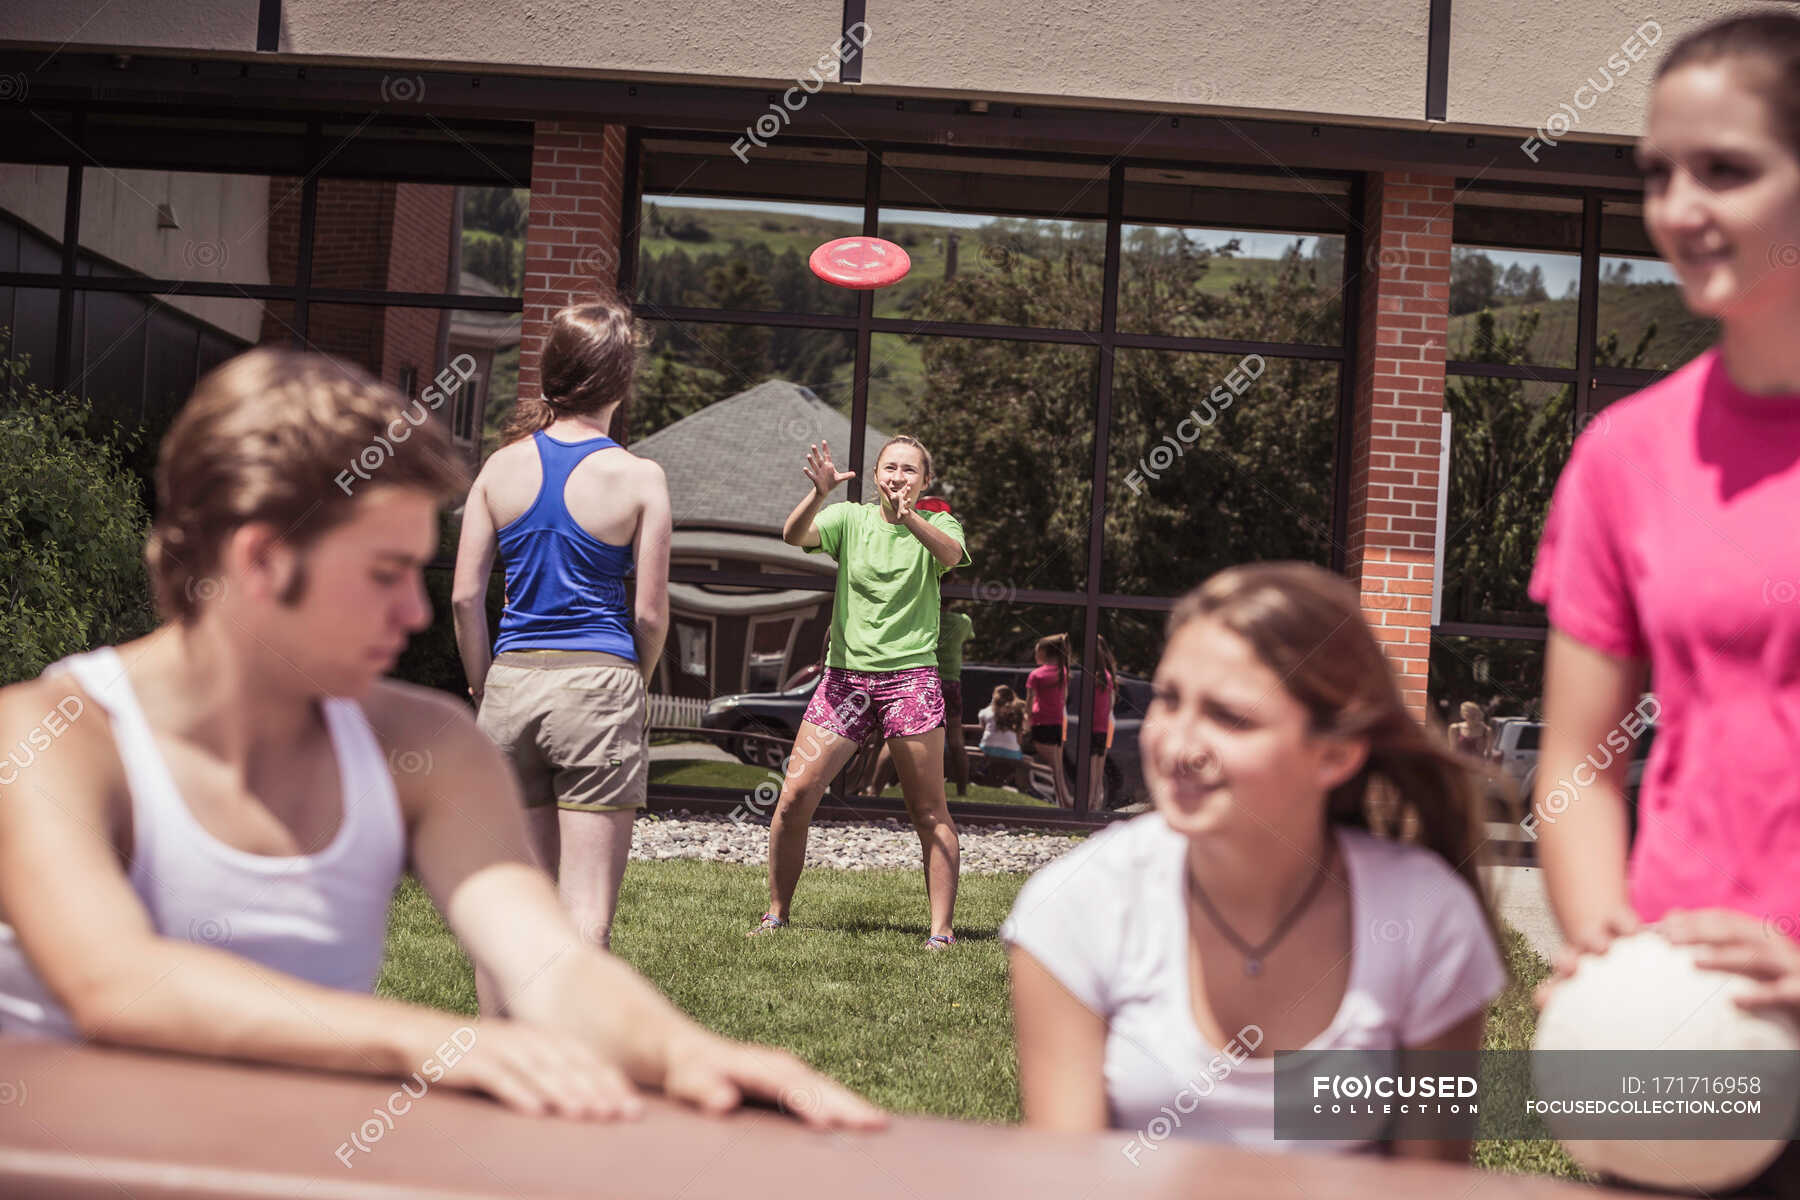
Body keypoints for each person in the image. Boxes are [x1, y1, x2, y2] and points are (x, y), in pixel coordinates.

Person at [0, 348, 883, 1132]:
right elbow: (117, 984)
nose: (416, 611)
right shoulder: (47, 741)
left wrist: (677, 1048)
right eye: (385, 574)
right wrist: (433, 1043)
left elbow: (545, 960)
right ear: (263, 562)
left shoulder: (427, 747)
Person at [1528, 16, 1800, 1190]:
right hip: (1691, 1034)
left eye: (1726, 170)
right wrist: (1607, 952)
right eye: (1658, 172)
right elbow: (1576, 762)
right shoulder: (1624, 456)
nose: (1680, 207)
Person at [1003, 562, 1506, 1160]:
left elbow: (1432, 1186)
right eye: (1169, 699)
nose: (1180, 746)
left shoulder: (1426, 917)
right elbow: (1067, 1182)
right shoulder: (1074, 906)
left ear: (1335, 754)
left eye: (1230, 717)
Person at [452, 298, 670, 962]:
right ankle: (573, 1057)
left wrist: (484, 687)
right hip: (599, 687)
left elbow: (465, 597)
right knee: (586, 917)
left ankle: (506, 1051)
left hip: (511, 685)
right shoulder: (639, 477)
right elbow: (649, 615)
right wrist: (637, 680)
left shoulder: (498, 469)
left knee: (521, 908)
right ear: (619, 382)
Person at [751, 437, 970, 948]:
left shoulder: (939, 525)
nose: (898, 477)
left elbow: (951, 556)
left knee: (929, 810)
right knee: (794, 797)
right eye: (890, 468)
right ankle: (776, 914)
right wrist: (819, 495)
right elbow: (793, 535)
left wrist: (910, 517)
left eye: (910, 470)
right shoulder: (850, 520)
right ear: (875, 475)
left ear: (924, 480)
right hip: (844, 680)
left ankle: (941, 932)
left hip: (910, 679)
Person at [1024, 634, 1072, 808]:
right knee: (1057, 766)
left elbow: (1030, 701)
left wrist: (1026, 721)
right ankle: (1065, 800)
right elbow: (1064, 698)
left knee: (1053, 767)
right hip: (1057, 723)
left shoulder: (1036, 675)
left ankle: (1064, 801)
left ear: (1044, 652)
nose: (1035, 655)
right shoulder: (1064, 672)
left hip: (1040, 722)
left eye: (1037, 651)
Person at [936, 596, 975, 798]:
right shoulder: (963, 622)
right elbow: (969, 636)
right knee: (956, 741)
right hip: (952, 682)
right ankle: (962, 791)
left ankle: (874, 789)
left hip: (927, 679)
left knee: (905, 735)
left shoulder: (927, 616)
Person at [977, 684, 1029, 791]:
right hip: (1011, 754)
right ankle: (1022, 787)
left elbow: (983, 731)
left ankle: (986, 777)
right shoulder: (1017, 713)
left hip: (988, 749)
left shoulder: (985, 712)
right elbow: (1019, 741)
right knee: (1025, 760)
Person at [1086, 634, 1117, 811]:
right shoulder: (1108, 676)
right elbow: (1111, 704)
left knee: (1092, 774)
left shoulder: (1092, 676)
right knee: (1098, 774)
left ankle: (1090, 808)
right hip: (1106, 726)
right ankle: (1096, 807)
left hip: (1094, 727)